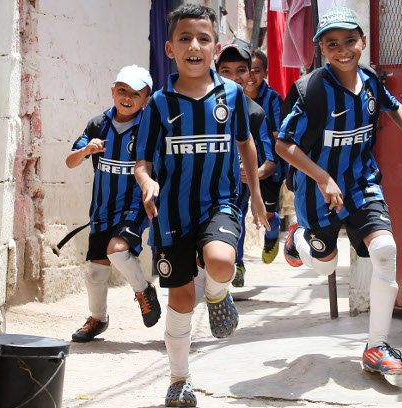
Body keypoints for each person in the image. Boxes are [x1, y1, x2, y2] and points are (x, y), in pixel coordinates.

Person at [275, 6, 402, 376]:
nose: (343, 49)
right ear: (321, 49)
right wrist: (324, 178)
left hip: (362, 184)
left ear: (362, 41)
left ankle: (377, 346)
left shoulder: (371, 81)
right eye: (332, 43)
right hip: (318, 192)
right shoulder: (310, 90)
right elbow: (283, 144)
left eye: (349, 41)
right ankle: (299, 238)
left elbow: (395, 105)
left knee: (386, 249)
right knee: (325, 265)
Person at [133, 4, 268, 406]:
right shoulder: (158, 104)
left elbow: (245, 142)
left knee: (222, 262)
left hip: (220, 202)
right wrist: (147, 181)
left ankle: (218, 294)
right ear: (170, 48)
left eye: (203, 38)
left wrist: (257, 195)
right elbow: (142, 161)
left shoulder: (231, 96)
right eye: (185, 38)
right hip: (171, 213)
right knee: (180, 300)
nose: (195, 45)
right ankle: (179, 379)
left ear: (215, 46)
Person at [65, 65, 162, 343]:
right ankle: (98, 319)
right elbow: (70, 161)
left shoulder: (149, 127)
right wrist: (86, 150)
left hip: (134, 207)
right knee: (96, 270)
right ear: (113, 91)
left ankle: (143, 289)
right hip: (102, 209)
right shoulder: (98, 125)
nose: (127, 97)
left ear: (146, 99)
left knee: (117, 251)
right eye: (122, 90)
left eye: (136, 93)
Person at [215, 39, 276, 287]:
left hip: (238, 187)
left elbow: (270, 159)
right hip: (201, 185)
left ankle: (235, 264)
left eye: (240, 70)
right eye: (225, 70)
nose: (233, 77)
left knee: (233, 222)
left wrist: (254, 179)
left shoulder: (255, 113)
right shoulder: (200, 105)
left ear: (250, 74)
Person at [245, 48, 286, 263]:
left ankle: (272, 233)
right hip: (240, 164)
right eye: (247, 70)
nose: (252, 76)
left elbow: (280, 133)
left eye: (257, 71)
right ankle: (238, 262)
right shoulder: (234, 96)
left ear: (266, 73)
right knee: (237, 211)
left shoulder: (272, 99)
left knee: (267, 213)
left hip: (269, 164)